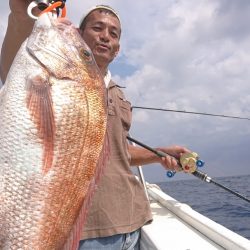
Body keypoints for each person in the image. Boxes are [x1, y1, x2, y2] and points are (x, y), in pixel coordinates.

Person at [0, 1, 190, 249]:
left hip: (133, 222)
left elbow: (116, 152)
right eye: (97, 28)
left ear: (117, 50)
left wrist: (158, 154)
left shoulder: (120, 96)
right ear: (80, 34)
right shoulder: (46, 73)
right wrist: (23, 12)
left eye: (113, 33)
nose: (105, 37)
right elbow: (13, 64)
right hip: (84, 234)